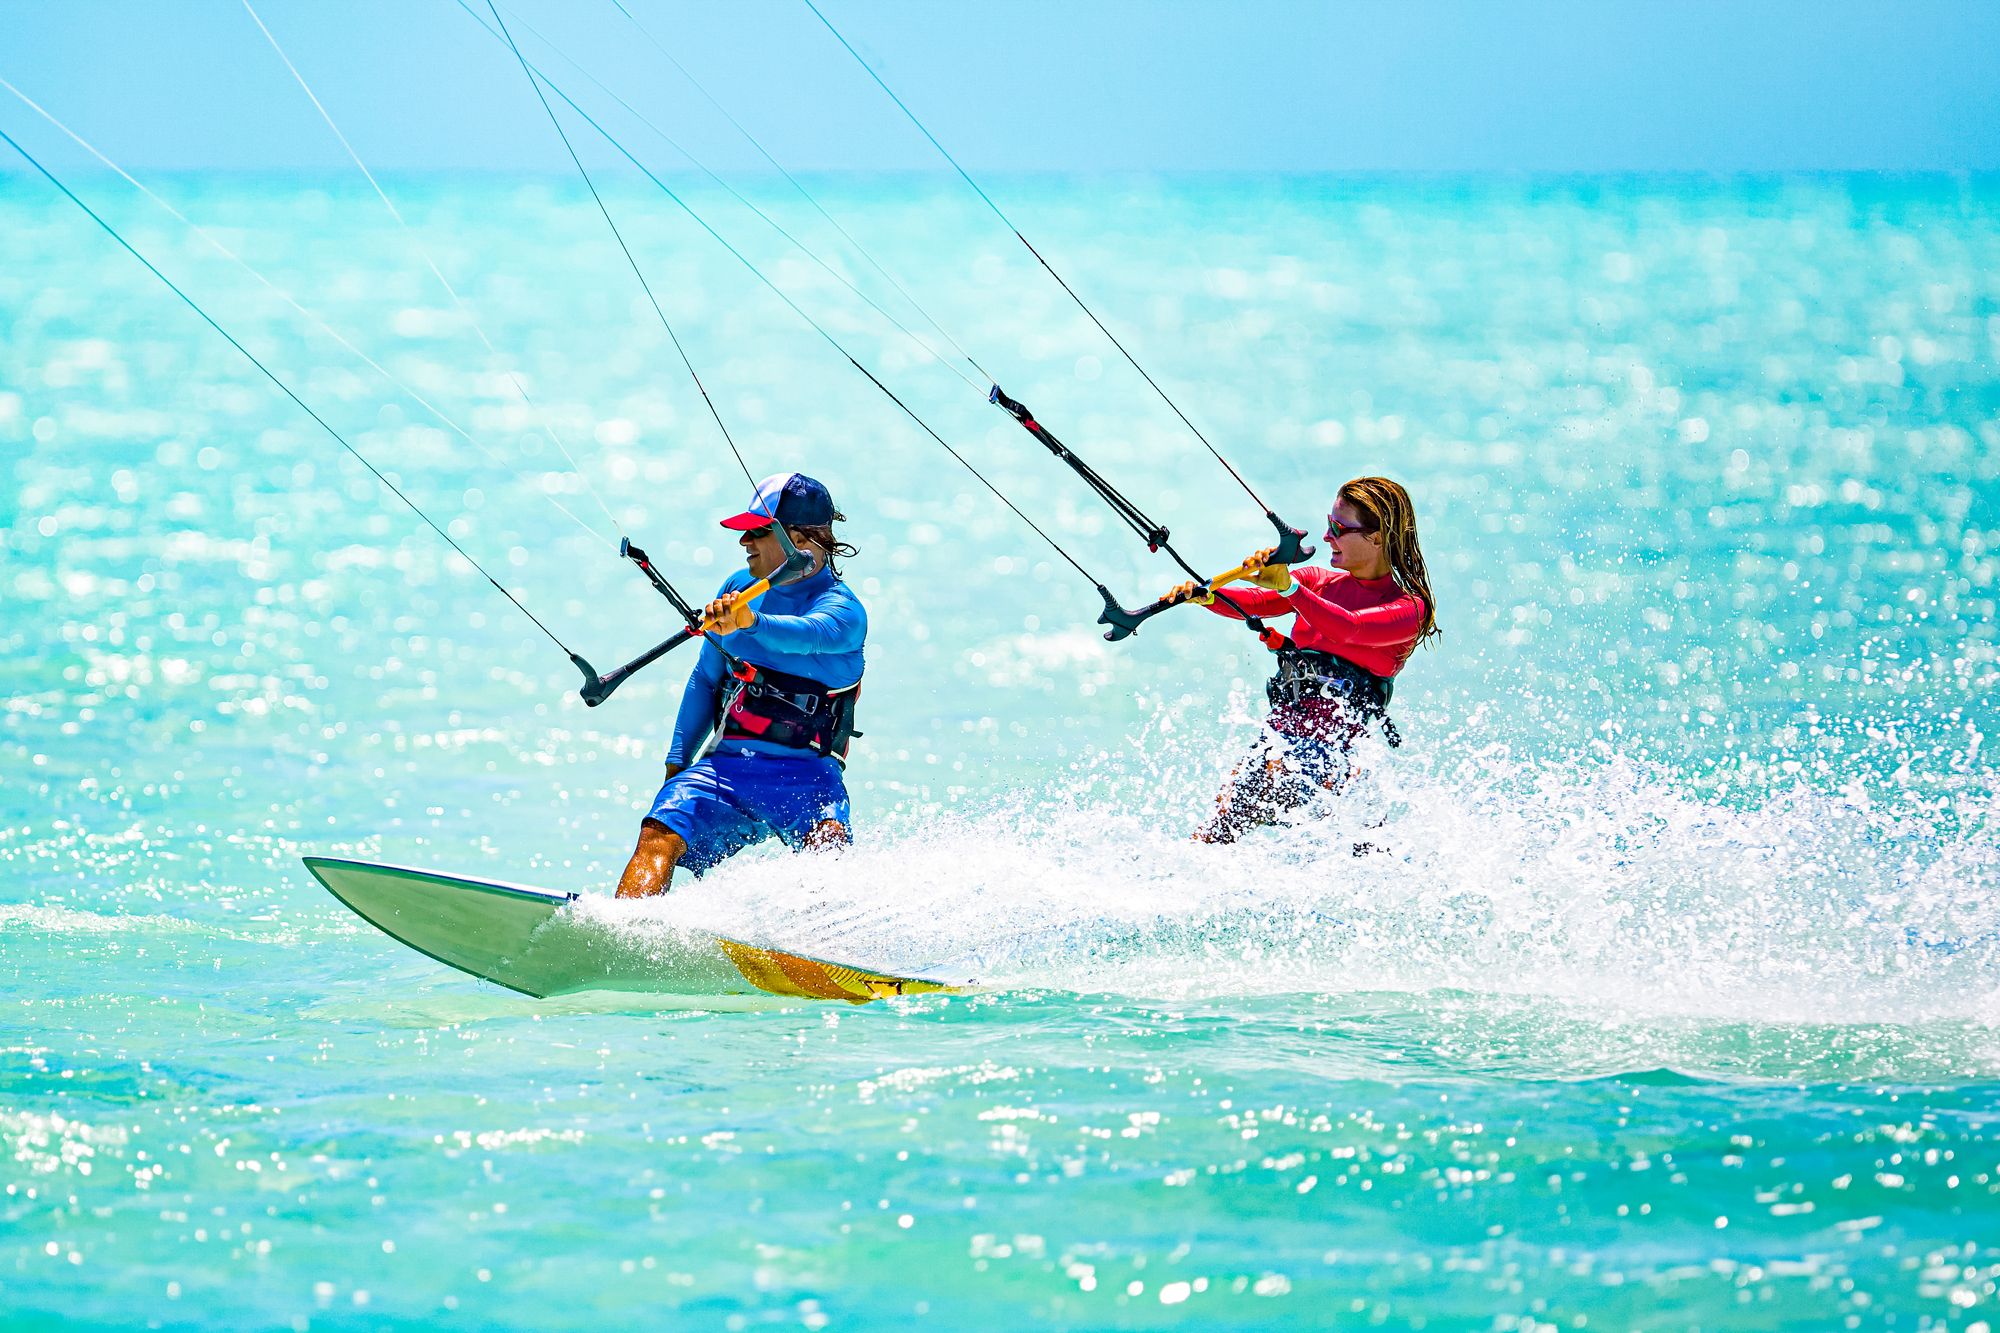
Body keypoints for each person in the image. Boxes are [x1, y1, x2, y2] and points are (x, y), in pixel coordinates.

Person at [615, 472, 865, 896]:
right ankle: (625, 930)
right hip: (726, 768)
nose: (744, 543)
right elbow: (705, 679)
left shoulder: (843, 611)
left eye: (758, 532)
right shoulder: (737, 588)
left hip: (807, 777)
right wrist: (677, 767)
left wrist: (749, 620)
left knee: (829, 856)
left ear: (800, 541)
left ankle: (830, 949)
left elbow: (805, 635)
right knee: (660, 829)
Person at [1166, 476, 1439, 843]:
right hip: (1279, 741)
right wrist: (1204, 596)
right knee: (1212, 837)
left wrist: (1289, 587)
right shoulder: (1317, 583)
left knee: (1338, 855)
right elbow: (1258, 602)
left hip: (1340, 758)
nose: (1327, 537)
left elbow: (1350, 629)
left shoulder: (1409, 609)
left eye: (1338, 528)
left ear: (1376, 537)